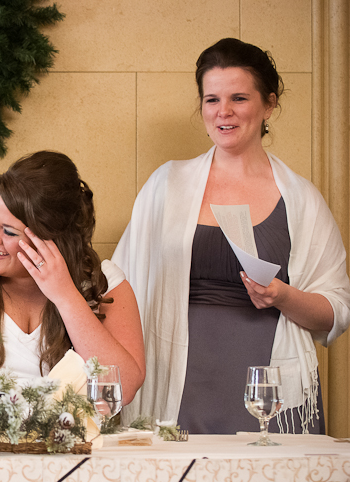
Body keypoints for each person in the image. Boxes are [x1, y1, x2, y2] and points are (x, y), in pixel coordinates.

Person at [113, 38, 350, 434]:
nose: (223, 112)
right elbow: (120, 288)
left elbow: (337, 311)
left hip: (268, 386)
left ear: (269, 104)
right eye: (211, 99)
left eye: (239, 98)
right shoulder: (165, 184)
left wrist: (282, 296)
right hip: (176, 375)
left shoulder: (302, 200)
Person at [0, 151, 146, 402]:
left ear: (52, 239)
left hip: (75, 440)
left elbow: (123, 391)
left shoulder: (105, 284)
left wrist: (65, 296)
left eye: (9, 232)